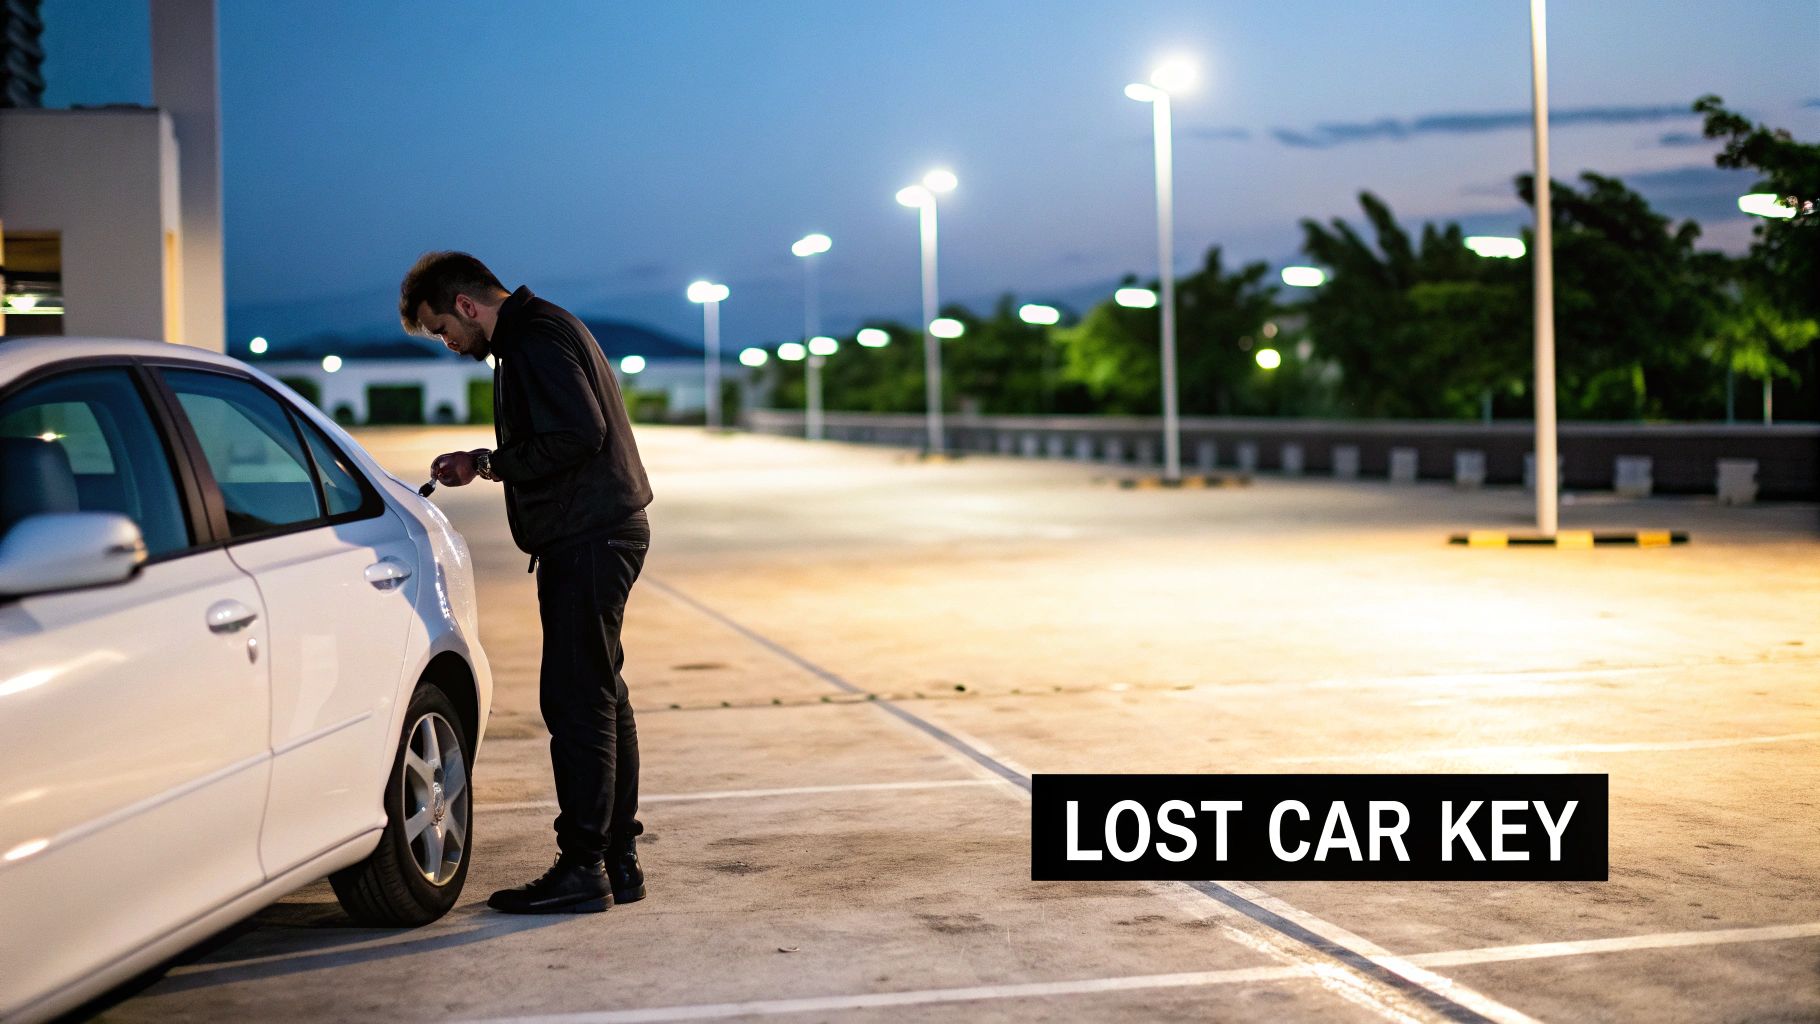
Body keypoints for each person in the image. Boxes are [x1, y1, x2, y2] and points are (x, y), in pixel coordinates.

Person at [402, 251, 654, 914]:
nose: (447, 344)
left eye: (440, 330)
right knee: (600, 694)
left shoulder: (535, 336)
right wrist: (485, 462)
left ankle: (582, 868)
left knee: (576, 701)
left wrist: (487, 462)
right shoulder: (540, 330)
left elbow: (578, 433)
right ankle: (617, 861)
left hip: (590, 534)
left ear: (464, 305)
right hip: (599, 529)